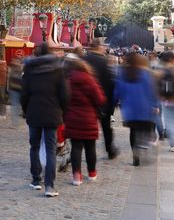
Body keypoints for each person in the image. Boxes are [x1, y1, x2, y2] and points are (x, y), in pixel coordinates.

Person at [21, 43, 68, 197]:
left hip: (34, 112)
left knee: (34, 146)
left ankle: (35, 179)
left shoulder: (29, 70)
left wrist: (26, 110)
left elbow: (24, 94)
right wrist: (62, 110)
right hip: (52, 113)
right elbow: (64, 95)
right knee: (50, 149)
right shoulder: (57, 70)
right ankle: (49, 185)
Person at [62, 56, 106, 186]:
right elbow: (100, 99)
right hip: (89, 118)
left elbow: (64, 99)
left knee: (76, 147)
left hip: (72, 117)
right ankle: (92, 173)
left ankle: (77, 176)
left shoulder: (67, 81)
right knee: (90, 147)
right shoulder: (90, 80)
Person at [114, 53, 159, 166]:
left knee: (133, 132)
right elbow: (153, 91)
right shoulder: (147, 74)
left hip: (130, 110)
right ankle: (144, 146)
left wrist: (114, 102)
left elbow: (118, 91)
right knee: (146, 130)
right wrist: (155, 105)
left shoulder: (124, 74)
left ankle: (135, 157)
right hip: (145, 108)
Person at [84, 39, 119, 159]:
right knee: (106, 127)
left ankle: (82, 149)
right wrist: (112, 101)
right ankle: (110, 150)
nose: (104, 48)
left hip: (86, 100)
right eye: (103, 46)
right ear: (98, 47)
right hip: (103, 100)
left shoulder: (83, 60)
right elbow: (111, 82)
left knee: (86, 128)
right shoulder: (104, 62)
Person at [7, 58, 24, 128]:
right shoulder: (12, 69)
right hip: (14, 91)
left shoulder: (21, 70)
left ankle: (16, 123)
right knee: (15, 107)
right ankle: (15, 124)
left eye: (16, 61)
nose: (14, 62)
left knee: (17, 107)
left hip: (19, 90)